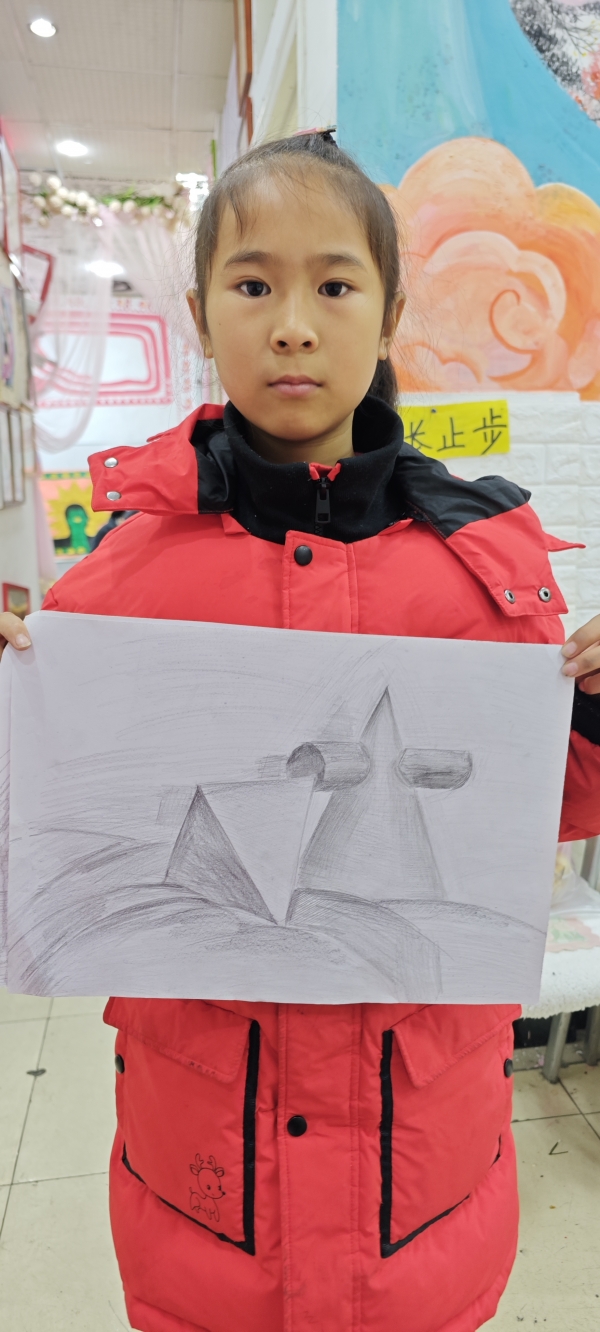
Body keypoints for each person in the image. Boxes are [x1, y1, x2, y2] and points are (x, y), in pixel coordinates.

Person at [2, 131, 600, 1332]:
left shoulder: (487, 570)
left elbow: (550, 802)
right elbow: (57, 825)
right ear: (198, 313)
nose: (291, 326)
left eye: (334, 284)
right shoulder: (119, 583)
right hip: (204, 1178)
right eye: (252, 283)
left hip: (419, 1175)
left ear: (389, 317)